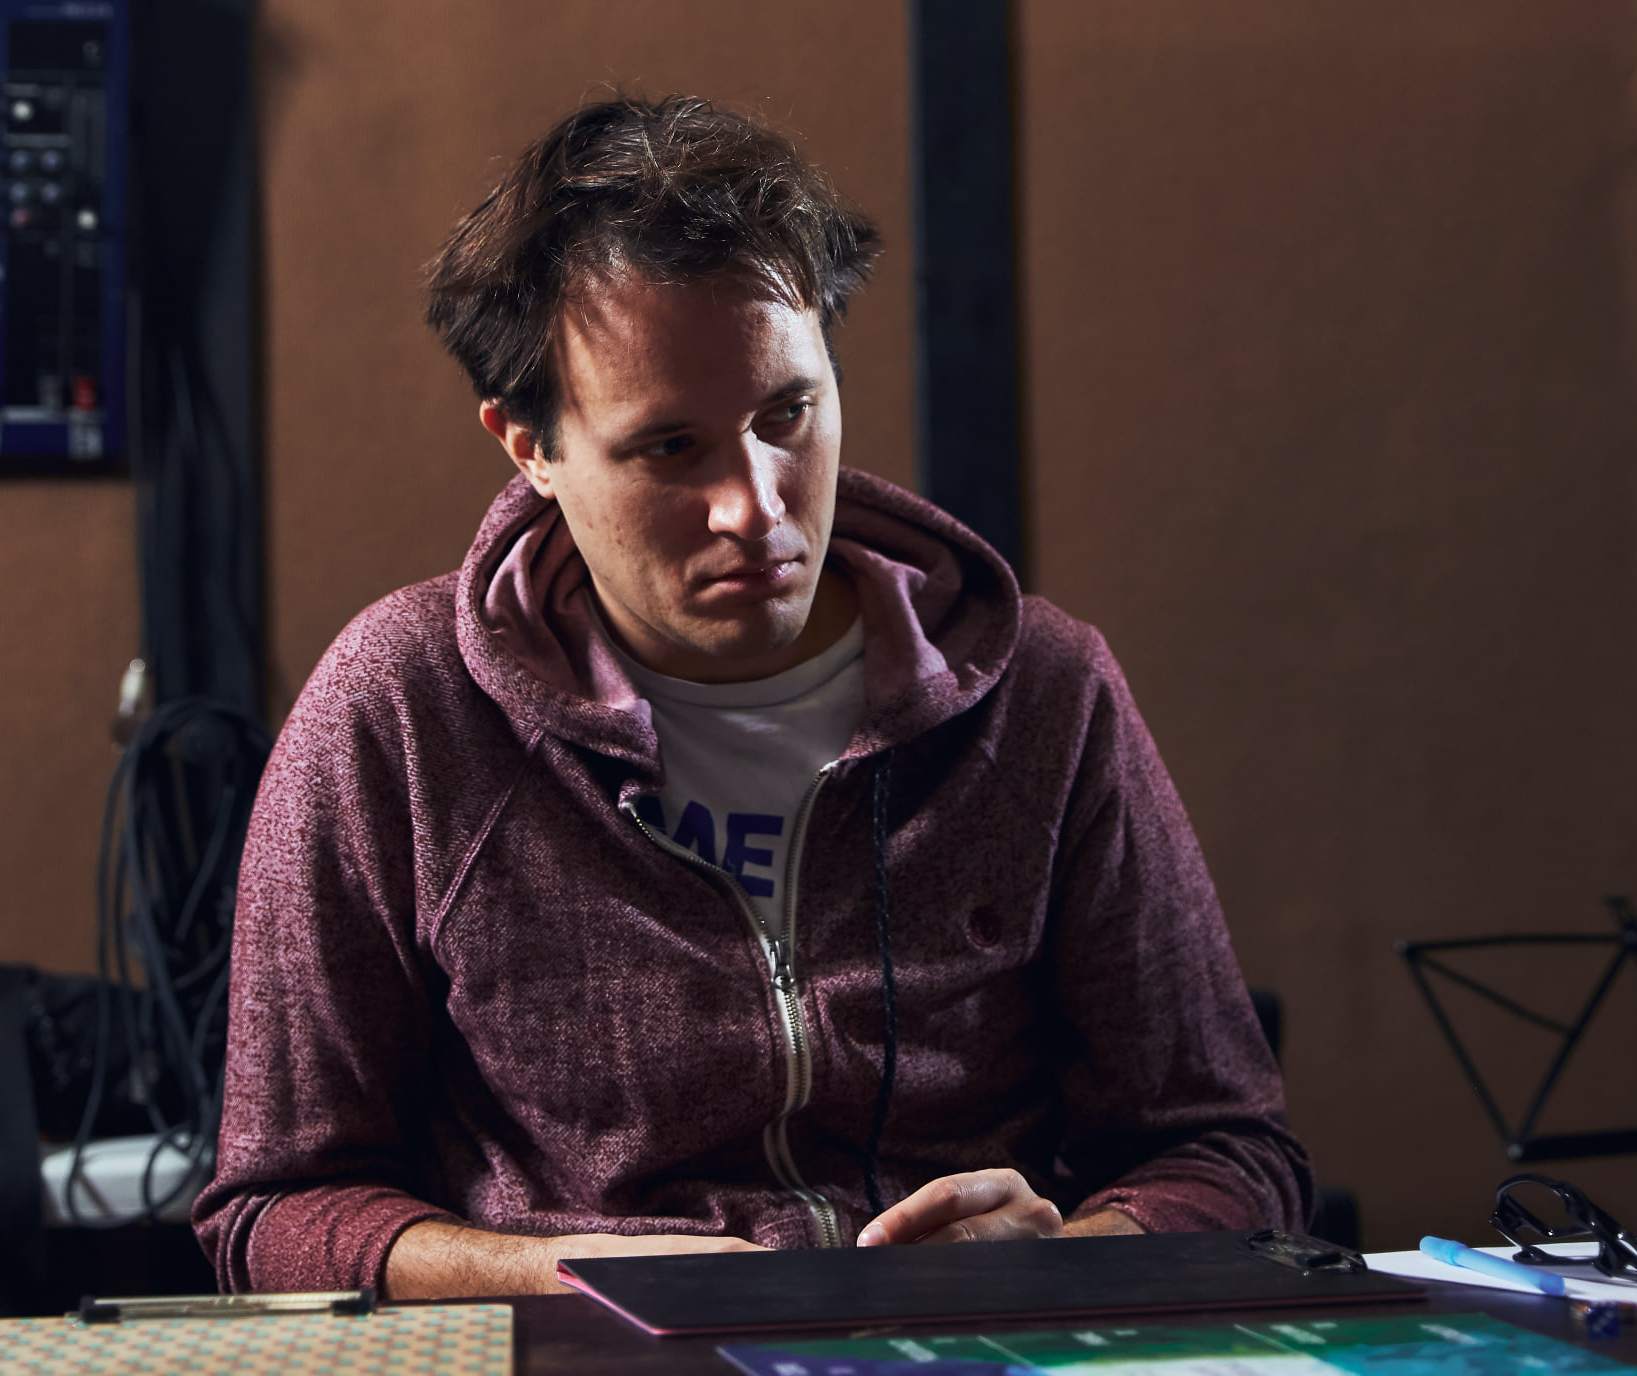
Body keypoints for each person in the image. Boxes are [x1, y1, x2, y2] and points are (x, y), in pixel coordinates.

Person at [192, 94, 1311, 1299]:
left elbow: (1229, 1153)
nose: (757, 505)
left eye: (788, 415)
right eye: (670, 448)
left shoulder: (1043, 691)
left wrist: (1061, 1258)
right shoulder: (401, 710)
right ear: (529, 446)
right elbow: (276, 1208)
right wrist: (573, 1274)